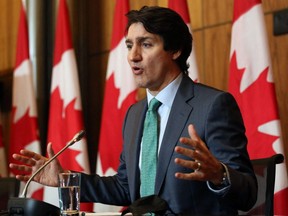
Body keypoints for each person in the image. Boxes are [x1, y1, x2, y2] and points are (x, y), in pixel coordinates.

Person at [10, 6, 257, 215]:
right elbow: (125, 189)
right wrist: (64, 178)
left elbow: (248, 193)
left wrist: (219, 175)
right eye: (129, 46)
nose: (133, 56)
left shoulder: (213, 106)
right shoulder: (136, 114)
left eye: (146, 44)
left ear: (175, 50)